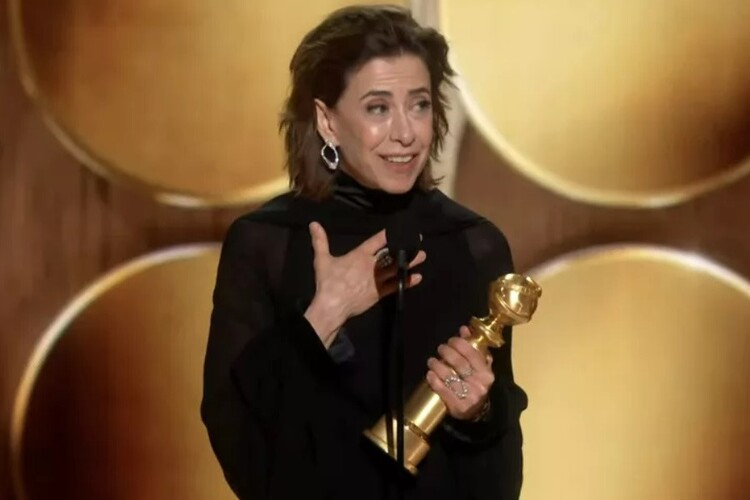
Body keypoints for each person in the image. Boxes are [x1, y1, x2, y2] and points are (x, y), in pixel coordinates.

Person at [201, 5, 528, 500]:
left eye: (419, 105)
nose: (406, 133)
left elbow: (501, 483)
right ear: (327, 121)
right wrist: (324, 316)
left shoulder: (473, 244)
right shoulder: (267, 243)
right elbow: (242, 448)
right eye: (378, 108)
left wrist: (478, 414)